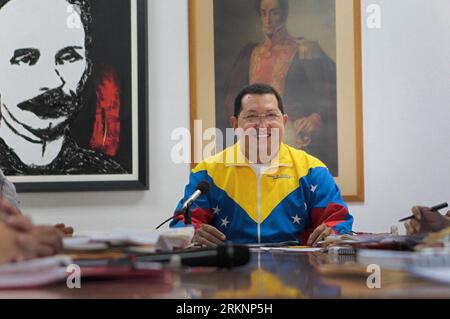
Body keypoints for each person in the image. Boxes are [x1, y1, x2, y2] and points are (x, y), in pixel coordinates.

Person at [171, 83, 352, 247]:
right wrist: (193, 234)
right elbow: (183, 222)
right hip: (228, 271)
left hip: (300, 273)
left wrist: (333, 231)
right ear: (235, 124)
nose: (263, 125)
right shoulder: (207, 171)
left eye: (272, 115)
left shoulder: (313, 169)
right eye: (251, 117)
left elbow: (338, 220)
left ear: (284, 121)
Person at [0, 0, 124, 175]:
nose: (52, 81)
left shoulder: (104, 171)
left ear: (87, 67)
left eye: (68, 57)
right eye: (26, 59)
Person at [221, 0, 338, 173]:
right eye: (263, 13)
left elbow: (331, 92)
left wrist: (314, 118)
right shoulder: (250, 53)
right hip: (254, 138)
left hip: (291, 136)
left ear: (284, 13)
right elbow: (230, 100)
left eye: (274, 12)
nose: (268, 19)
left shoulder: (304, 49)